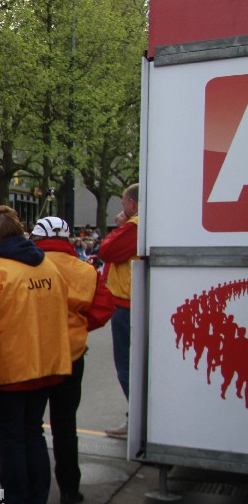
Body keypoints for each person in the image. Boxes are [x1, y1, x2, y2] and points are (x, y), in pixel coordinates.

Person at [0, 206, 71, 504]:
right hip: (46, 363)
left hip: (9, 367)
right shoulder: (48, 266)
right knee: (33, 433)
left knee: (11, 438)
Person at [31, 216, 114, 504]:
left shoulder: (29, 266)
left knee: (32, 424)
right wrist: (79, 327)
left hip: (35, 351)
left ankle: (33, 490)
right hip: (72, 352)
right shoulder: (85, 269)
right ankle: (69, 487)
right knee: (65, 423)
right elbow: (103, 309)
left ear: (36, 238)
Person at [98, 183, 139, 438]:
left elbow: (107, 250)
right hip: (133, 302)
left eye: (124, 203)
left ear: (132, 204)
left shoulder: (134, 226)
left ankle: (136, 417)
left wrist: (121, 225)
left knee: (126, 367)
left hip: (127, 304)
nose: (122, 209)